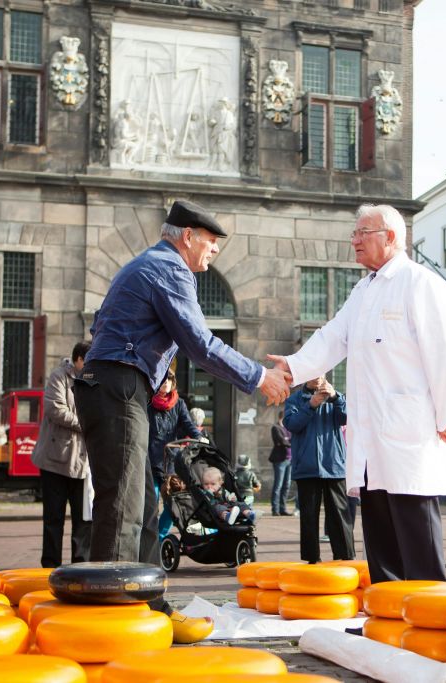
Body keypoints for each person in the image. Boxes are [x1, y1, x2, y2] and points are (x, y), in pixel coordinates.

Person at [72, 199, 291, 641]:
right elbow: (200, 343)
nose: (212, 254)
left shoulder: (149, 264)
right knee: (124, 507)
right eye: (210, 244)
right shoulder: (170, 269)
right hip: (118, 389)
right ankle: (107, 625)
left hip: (119, 388)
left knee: (141, 506)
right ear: (187, 237)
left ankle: (148, 605)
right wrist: (259, 376)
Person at [268, 204, 446, 584]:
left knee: (415, 532)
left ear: (389, 237)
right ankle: (388, 621)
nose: (354, 241)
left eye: (362, 233)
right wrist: (292, 367)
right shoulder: (364, 289)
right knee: (379, 536)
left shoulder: (421, 283)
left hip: (411, 432)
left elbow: (445, 355)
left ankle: (429, 619)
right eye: (354, 234)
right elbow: (332, 337)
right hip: (372, 435)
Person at [30, 341, 93, 568]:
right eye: (88, 360)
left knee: (84, 520)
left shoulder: (95, 378)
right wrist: (87, 424)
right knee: (53, 519)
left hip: (84, 464)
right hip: (55, 461)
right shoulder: (59, 377)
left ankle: (81, 566)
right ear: (77, 360)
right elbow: (55, 409)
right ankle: (49, 566)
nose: (91, 365)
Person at [283, 375, 355, 564]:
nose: (318, 379)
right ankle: (311, 558)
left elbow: (348, 418)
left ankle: (345, 556)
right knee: (308, 514)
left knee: (339, 513)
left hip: (334, 463)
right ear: (306, 378)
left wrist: (337, 397)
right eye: (314, 375)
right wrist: (311, 405)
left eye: (321, 374)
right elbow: (291, 425)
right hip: (307, 465)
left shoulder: (335, 398)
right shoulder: (295, 399)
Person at [148, 369, 202, 540]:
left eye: (169, 380)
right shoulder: (147, 402)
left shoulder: (179, 403)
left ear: (173, 382)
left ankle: (160, 537)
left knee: (174, 504)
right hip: (150, 461)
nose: (166, 383)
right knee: (150, 505)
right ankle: (147, 540)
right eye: (163, 380)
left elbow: (188, 425)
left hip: (171, 463)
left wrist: (200, 438)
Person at [269, 411, 292, 516]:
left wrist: (288, 441)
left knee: (287, 485)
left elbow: (291, 439)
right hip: (280, 460)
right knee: (278, 485)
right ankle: (275, 509)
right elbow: (281, 441)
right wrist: (289, 442)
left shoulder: (289, 428)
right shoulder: (276, 428)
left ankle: (283, 508)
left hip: (290, 459)